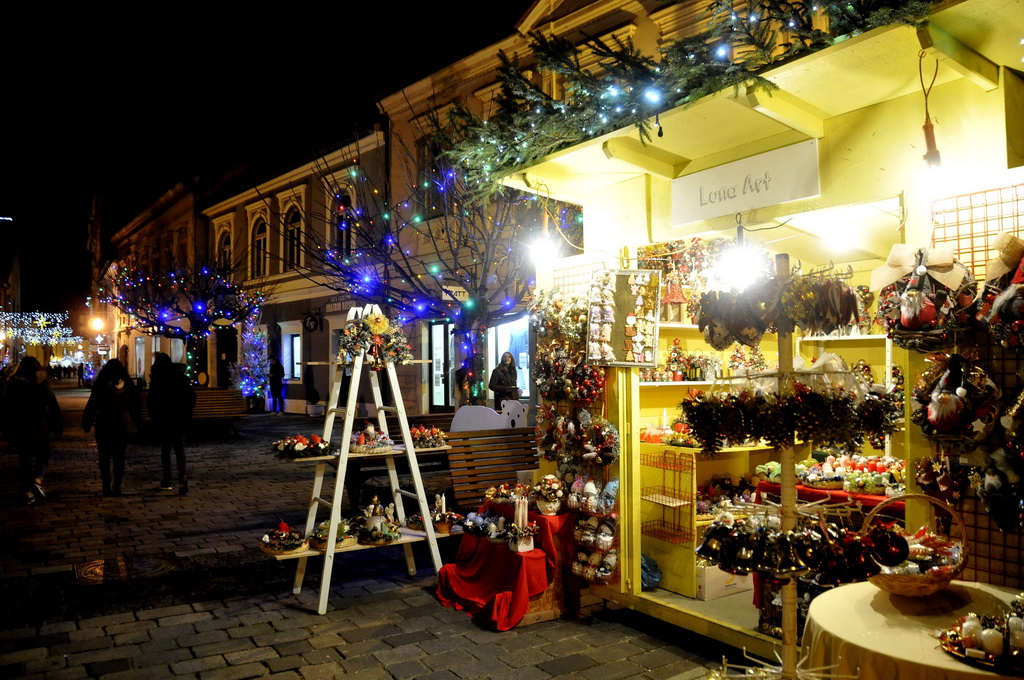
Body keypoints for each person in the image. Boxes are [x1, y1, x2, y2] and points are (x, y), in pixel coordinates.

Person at [1, 357, 63, 505]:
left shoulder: (13, 383)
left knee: (25, 458)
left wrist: (6, 427)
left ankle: (26, 491)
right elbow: (52, 404)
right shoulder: (42, 383)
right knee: (43, 455)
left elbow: (5, 406)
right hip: (40, 424)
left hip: (20, 424)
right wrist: (57, 424)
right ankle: (37, 480)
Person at [82, 359, 140, 497]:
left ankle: (106, 485)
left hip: (104, 423)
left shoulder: (100, 384)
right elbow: (135, 406)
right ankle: (117, 486)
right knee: (119, 456)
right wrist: (137, 423)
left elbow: (92, 404)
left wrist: (87, 422)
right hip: (122, 423)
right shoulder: (128, 385)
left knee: (104, 456)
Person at [148, 353, 196, 495]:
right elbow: (190, 397)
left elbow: (152, 402)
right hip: (179, 419)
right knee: (180, 450)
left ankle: (167, 480)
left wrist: (154, 418)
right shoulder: (180, 378)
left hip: (164, 420)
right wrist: (187, 416)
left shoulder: (157, 380)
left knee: (166, 451)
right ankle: (182, 479)